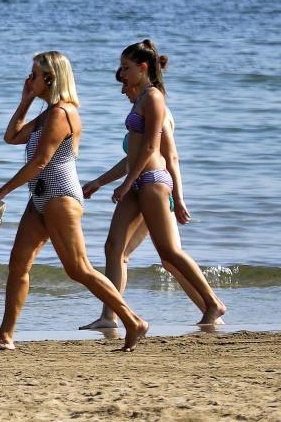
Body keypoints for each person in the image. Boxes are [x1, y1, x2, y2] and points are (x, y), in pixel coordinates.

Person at [0, 51, 149, 352]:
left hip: (60, 196)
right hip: (40, 196)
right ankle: (5, 335)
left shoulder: (61, 113)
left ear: (51, 78)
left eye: (34, 75)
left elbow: (40, 162)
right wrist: (26, 99)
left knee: (79, 269)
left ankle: (133, 320)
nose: (30, 79)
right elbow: (12, 137)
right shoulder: (47, 113)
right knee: (18, 265)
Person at [78, 64, 214, 329]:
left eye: (124, 83)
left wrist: (179, 197)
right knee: (117, 249)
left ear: (141, 72)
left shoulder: (158, 108)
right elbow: (132, 159)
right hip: (138, 185)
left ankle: (212, 304)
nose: (122, 90)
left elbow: (169, 156)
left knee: (169, 255)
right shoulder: (141, 109)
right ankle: (109, 316)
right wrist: (99, 182)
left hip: (155, 185)